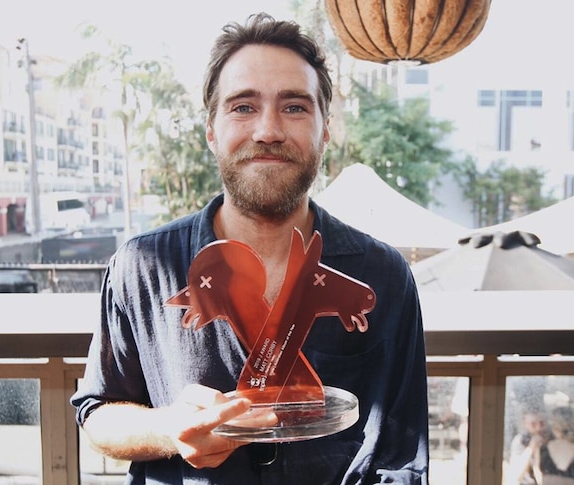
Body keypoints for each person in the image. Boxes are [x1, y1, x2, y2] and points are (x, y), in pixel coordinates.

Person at [70, 12, 430, 484]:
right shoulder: (141, 267)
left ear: (324, 130)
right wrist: (167, 428)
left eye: (295, 107)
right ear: (211, 131)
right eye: (243, 106)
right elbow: (97, 413)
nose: (268, 131)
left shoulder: (383, 275)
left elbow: (404, 457)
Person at [506, 406, 550, 485]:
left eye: (542, 423)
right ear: (525, 424)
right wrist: (531, 447)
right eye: (533, 424)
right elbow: (516, 475)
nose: (538, 428)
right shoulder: (520, 441)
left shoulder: (553, 440)